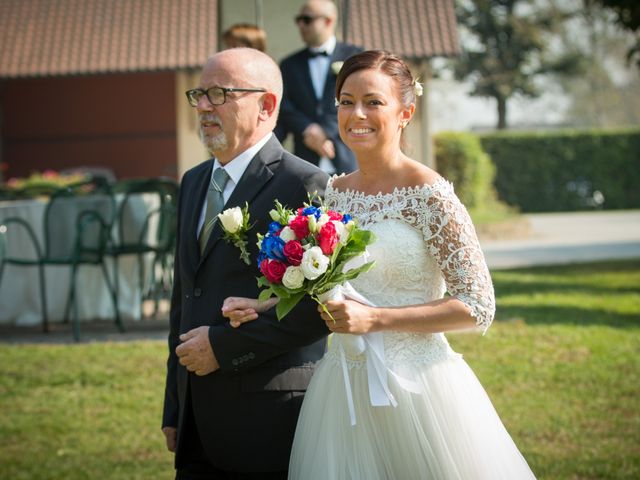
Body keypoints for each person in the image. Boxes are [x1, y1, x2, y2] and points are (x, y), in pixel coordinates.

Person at [223, 50, 537, 479]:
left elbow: (478, 305)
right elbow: (334, 285)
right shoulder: (334, 195)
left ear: (406, 111)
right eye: (346, 101)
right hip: (343, 391)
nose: (357, 114)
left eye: (373, 102)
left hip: (419, 389)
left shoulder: (430, 195)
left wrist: (375, 320)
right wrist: (265, 303)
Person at [161, 48, 329, 480]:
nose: (202, 106)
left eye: (219, 94)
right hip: (197, 417)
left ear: (266, 106)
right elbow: (185, 294)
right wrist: (175, 404)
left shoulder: (305, 183)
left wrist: (223, 347)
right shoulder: (194, 181)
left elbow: (319, 311)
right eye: (199, 93)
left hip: (268, 415)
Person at [276, 0, 361, 175]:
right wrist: (308, 129)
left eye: (307, 19)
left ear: (328, 21)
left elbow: (361, 99)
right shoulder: (289, 64)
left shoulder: (355, 56)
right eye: (298, 19)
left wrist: (325, 130)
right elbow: (284, 106)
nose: (301, 24)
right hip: (305, 162)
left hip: (347, 158)